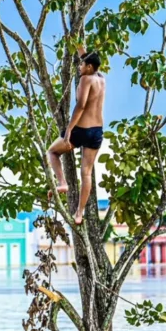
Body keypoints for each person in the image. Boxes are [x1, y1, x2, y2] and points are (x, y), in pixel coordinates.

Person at [47, 46, 106, 225]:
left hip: (80, 130)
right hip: (96, 131)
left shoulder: (86, 80)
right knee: (86, 173)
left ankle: (62, 182)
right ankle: (79, 213)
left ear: (89, 67)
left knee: (52, 152)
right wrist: (79, 46)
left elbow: (80, 106)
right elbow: (89, 58)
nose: (79, 67)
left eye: (82, 64)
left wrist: (70, 129)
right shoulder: (101, 78)